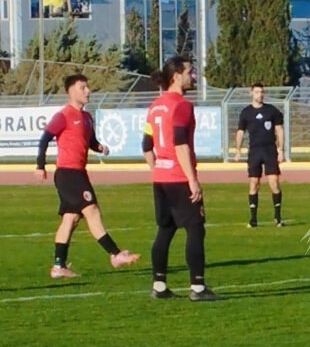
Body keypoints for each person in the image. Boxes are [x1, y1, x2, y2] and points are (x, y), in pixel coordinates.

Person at [34, 74, 140, 278]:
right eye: (82, 87)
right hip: (68, 174)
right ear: (70, 91)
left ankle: (58, 266)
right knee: (92, 210)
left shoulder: (87, 117)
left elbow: (90, 141)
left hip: (78, 173)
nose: (88, 91)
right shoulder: (63, 115)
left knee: (71, 219)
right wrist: (40, 166)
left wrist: (99, 147)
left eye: (87, 87)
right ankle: (115, 254)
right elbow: (44, 139)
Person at [142, 56, 219, 301]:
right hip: (178, 176)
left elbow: (146, 145)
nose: (193, 76)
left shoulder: (154, 106)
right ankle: (198, 287)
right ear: (176, 76)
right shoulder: (182, 105)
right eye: (190, 72)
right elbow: (180, 144)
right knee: (195, 228)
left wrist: (157, 170)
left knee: (165, 230)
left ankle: (159, 285)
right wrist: (192, 180)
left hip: (161, 177)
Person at [234, 83, 285, 227]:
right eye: (257, 92)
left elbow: (279, 130)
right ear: (251, 93)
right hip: (254, 151)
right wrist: (237, 150)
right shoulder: (246, 112)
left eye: (262, 92)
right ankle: (253, 219)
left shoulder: (271, 110)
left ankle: (277, 217)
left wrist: (281, 150)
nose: (260, 95)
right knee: (254, 183)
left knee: (274, 182)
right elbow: (240, 132)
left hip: (270, 150)